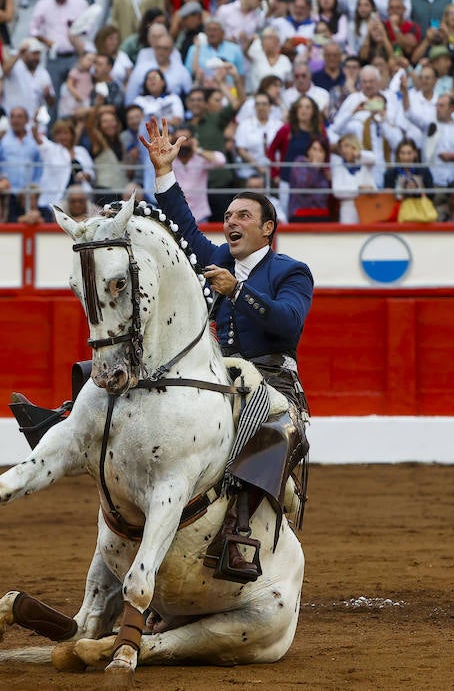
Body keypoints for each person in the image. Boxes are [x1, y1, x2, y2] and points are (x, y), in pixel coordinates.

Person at [144, 115, 312, 577]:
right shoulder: (219, 257)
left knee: (271, 423)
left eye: (243, 216)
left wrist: (237, 293)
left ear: (268, 229)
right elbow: (184, 228)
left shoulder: (291, 272)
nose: (230, 223)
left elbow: (288, 324)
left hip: (272, 377)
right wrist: (164, 173)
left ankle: (237, 534)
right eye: (228, 215)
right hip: (222, 373)